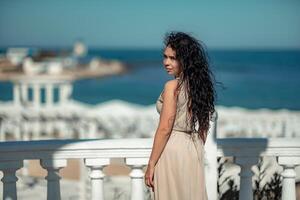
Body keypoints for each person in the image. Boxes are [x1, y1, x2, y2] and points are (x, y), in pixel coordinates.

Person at [144, 31, 216, 200]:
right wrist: (195, 148)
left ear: (185, 60)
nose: (166, 62)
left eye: (173, 58)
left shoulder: (172, 86)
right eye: (165, 57)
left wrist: (151, 163)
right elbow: (204, 126)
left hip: (172, 149)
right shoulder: (200, 87)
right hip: (192, 148)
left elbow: (165, 128)